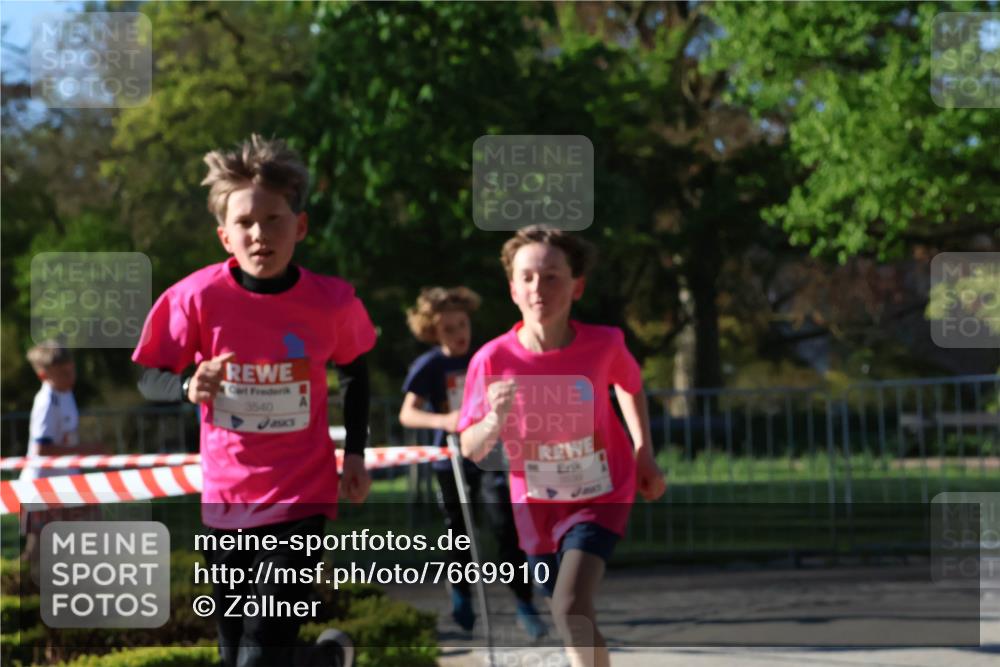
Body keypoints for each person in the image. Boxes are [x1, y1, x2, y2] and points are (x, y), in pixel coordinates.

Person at [133, 135, 373, 667]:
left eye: (274, 219)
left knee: (259, 654)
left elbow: (356, 372)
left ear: (300, 227)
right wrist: (186, 386)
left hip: (301, 496)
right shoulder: (196, 297)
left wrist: (355, 452)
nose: (259, 234)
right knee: (236, 650)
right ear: (225, 236)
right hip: (226, 497)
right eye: (245, 222)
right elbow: (149, 376)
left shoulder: (332, 301)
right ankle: (328, 660)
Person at [458, 225, 668, 667]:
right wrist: (494, 418)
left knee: (569, 605)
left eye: (553, 276)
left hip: (601, 491)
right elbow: (471, 448)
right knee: (569, 611)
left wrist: (642, 450)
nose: (540, 288)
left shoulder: (604, 344)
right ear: (513, 288)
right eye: (529, 277)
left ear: (577, 286)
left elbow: (630, 385)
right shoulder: (492, 359)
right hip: (534, 502)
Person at [399, 287, 547, 639]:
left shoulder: (486, 357)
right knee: (460, 532)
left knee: (503, 525)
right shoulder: (430, 366)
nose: (458, 334)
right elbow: (408, 413)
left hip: (491, 455)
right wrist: (444, 421)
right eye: (448, 329)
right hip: (449, 460)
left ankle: (524, 602)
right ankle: (462, 593)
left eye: (462, 325)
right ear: (434, 332)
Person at [19, 341, 106, 565]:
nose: (70, 376)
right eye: (63, 372)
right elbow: (43, 448)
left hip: (66, 482)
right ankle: (21, 589)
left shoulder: (67, 394)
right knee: (39, 550)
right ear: (44, 375)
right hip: (43, 485)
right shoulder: (46, 401)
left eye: (71, 370)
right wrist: (86, 450)